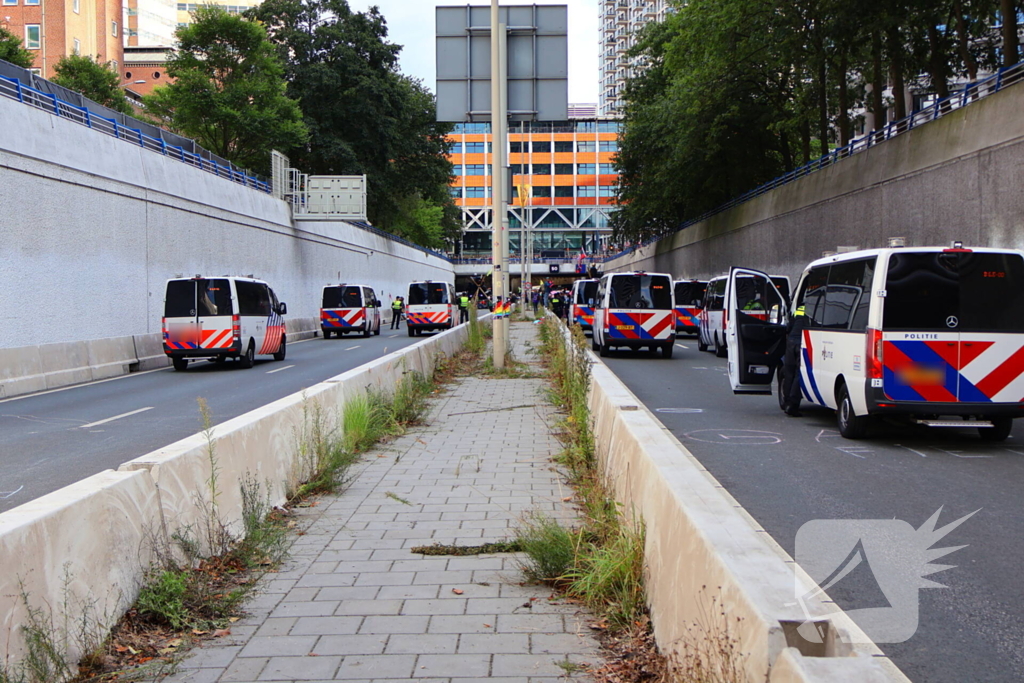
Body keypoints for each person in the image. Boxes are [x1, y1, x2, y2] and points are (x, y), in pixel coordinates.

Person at [781, 305, 810, 417]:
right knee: (800, 373)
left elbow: (789, 326)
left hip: (791, 341)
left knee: (789, 373)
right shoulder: (813, 307)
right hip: (802, 341)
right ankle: (793, 404)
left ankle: (786, 401)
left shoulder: (799, 308)